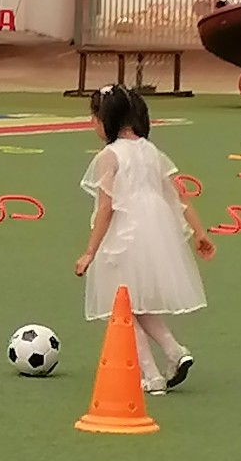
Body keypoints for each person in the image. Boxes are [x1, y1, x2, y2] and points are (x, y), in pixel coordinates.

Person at [74, 84, 215, 395]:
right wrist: (199, 232)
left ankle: (150, 375)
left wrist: (89, 252)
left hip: (124, 236)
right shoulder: (151, 151)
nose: (92, 124)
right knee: (135, 303)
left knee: (121, 308)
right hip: (153, 233)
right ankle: (174, 351)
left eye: (94, 118)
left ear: (106, 120)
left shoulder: (109, 156)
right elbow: (179, 196)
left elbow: (106, 208)